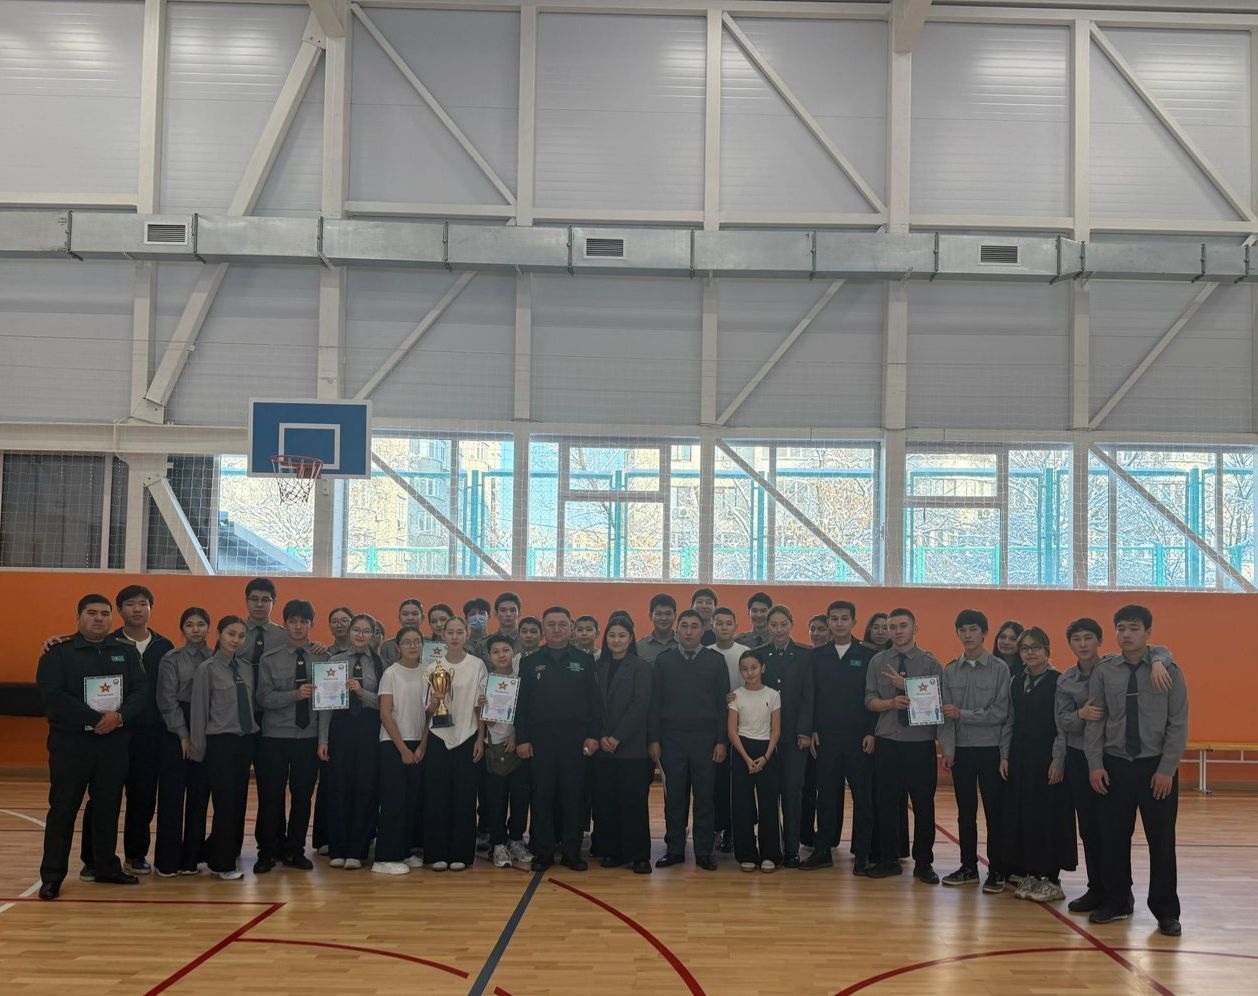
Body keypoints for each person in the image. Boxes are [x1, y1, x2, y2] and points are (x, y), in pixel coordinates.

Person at [1085, 605, 1187, 936]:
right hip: (1115, 765)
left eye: (1133, 628)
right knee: (1113, 838)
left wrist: (1167, 769)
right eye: (1121, 628)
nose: (1126, 634)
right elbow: (1096, 720)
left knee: (1162, 841)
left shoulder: (1169, 670)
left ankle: (1166, 911)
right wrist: (1095, 763)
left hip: (1155, 767)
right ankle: (1117, 902)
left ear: (1148, 633)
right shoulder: (1105, 671)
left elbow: (1178, 723)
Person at [37, 595, 147, 899]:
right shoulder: (58, 653)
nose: (99, 618)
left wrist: (118, 717)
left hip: (112, 744)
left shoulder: (125, 652)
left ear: (112, 618)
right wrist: (95, 719)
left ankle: (105, 867)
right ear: (79, 617)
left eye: (104, 613)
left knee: (108, 807)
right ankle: (52, 876)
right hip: (71, 745)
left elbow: (141, 691)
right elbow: (53, 696)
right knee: (63, 809)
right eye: (92, 613)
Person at [76, 585, 174, 878]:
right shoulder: (108, 643)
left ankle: (135, 855)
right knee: (103, 796)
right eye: (130, 604)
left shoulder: (164, 645)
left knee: (143, 796)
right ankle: (92, 859)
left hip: (151, 734)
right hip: (113, 732)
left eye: (143, 604)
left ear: (151, 608)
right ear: (119, 610)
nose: (137, 609)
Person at [516, 607, 602, 871]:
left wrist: (593, 735)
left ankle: (571, 852)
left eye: (562, 624)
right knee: (541, 796)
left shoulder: (585, 660)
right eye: (551, 624)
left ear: (570, 628)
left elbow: (595, 703)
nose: (556, 629)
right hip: (540, 741)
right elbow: (521, 705)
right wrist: (522, 739)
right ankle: (543, 852)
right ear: (544, 628)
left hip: (576, 741)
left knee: (573, 797)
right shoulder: (529, 661)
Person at [865, 607, 943, 884]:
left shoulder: (930, 663)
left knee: (923, 805)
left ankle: (924, 863)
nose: (897, 631)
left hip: (919, 743)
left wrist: (905, 685)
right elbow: (869, 700)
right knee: (886, 803)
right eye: (892, 626)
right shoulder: (877, 661)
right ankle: (889, 859)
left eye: (902, 626)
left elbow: (936, 704)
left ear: (914, 629)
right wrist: (890, 702)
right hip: (888, 741)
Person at [799, 600, 877, 874]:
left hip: (859, 739)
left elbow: (874, 695)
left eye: (845, 618)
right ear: (829, 622)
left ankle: (863, 854)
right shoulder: (817, 656)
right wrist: (812, 729)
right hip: (826, 738)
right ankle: (823, 851)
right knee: (826, 797)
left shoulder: (868, 655)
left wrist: (871, 731)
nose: (839, 623)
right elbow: (811, 695)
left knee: (863, 798)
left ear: (854, 621)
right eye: (834, 618)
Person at [649, 609, 729, 871]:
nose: (689, 631)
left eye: (694, 626)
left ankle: (704, 851)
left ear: (703, 630)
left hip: (706, 740)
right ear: (677, 630)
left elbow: (723, 705)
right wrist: (654, 739)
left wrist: (721, 741)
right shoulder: (664, 661)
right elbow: (654, 703)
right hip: (671, 740)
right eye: (684, 625)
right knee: (674, 797)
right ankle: (675, 849)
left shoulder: (715, 661)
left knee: (704, 797)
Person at [939, 609, 1012, 894]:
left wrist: (963, 714)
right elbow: (945, 716)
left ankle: (997, 870)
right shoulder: (949, 670)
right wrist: (948, 749)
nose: (968, 635)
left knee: (995, 812)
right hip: (962, 752)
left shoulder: (999, 669)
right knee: (965, 813)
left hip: (991, 749)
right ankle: (968, 867)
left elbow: (1000, 713)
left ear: (984, 633)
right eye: (963, 630)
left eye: (973, 629)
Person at [1004, 626, 1076, 902]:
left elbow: (1062, 727)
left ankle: (1051, 878)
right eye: (1025, 648)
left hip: (1048, 759)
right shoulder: (1016, 681)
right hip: (1021, 759)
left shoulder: (1059, 681)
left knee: (1049, 817)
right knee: (1025, 816)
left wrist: (1058, 760)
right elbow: (1010, 721)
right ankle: (1032, 873)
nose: (1030, 653)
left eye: (1035, 647)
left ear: (1047, 650)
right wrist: (1005, 755)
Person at [255, 599, 326, 873]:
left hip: (308, 737)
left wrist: (322, 738)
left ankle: (295, 850)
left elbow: (329, 703)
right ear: (284, 624)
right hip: (275, 737)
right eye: (293, 621)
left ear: (311, 624)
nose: (298, 627)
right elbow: (263, 698)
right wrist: (294, 695)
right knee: (270, 796)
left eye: (303, 622)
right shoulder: (269, 658)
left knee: (302, 796)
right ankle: (267, 852)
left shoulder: (323, 658)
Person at [189, 616, 258, 881]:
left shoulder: (246, 667)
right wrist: (198, 749)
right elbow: (199, 711)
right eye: (231, 634)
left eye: (241, 636)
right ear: (218, 634)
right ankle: (221, 863)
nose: (236, 640)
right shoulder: (207, 669)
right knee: (225, 802)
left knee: (238, 802)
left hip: (244, 740)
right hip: (220, 742)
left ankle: (222, 851)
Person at [420, 616, 486, 871]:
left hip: (468, 736)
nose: (455, 637)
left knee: (465, 797)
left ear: (467, 634)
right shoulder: (432, 667)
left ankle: (461, 854)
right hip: (439, 736)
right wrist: (434, 702)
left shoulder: (477, 665)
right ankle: (437, 853)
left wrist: (480, 738)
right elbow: (426, 710)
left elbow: (480, 706)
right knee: (437, 797)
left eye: (459, 632)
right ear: (443, 635)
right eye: (450, 632)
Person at [318, 613, 382, 870]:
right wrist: (323, 739)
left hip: (369, 729)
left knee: (365, 788)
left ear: (373, 635)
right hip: (340, 729)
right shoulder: (334, 661)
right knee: (338, 788)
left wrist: (361, 692)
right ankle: (338, 848)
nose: (360, 635)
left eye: (366, 631)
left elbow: (385, 703)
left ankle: (358, 850)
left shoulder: (380, 664)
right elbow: (325, 706)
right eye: (356, 629)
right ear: (350, 631)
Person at [153, 607, 212, 877]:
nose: (195, 629)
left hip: (207, 728)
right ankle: (167, 861)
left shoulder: (217, 658)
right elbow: (167, 699)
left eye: (201, 624)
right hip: (175, 731)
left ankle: (191, 859)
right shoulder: (172, 659)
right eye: (190, 624)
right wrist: (183, 735)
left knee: (199, 797)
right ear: (182, 629)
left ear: (209, 628)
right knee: (172, 797)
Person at [592, 615, 653, 874]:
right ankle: (612, 851)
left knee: (633, 802)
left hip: (631, 747)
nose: (616, 640)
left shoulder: (641, 667)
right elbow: (592, 705)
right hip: (603, 747)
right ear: (606, 638)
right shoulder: (598, 666)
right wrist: (602, 736)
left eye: (622, 636)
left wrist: (617, 737)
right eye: (612, 635)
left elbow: (640, 705)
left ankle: (638, 855)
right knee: (607, 801)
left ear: (630, 639)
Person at [759, 605, 813, 868]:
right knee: (769, 793)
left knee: (792, 792)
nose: (778, 629)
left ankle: (792, 849)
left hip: (794, 736)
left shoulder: (805, 655)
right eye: (774, 624)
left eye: (783, 624)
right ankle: (771, 848)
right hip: (764, 735)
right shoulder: (759, 654)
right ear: (767, 626)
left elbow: (809, 696)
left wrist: (804, 731)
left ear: (792, 624)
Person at [372, 625, 428, 876]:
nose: (412, 646)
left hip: (419, 743)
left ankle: (404, 850)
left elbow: (430, 714)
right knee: (393, 802)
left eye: (417, 641)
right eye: (407, 642)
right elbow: (385, 713)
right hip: (394, 743)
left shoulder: (428, 673)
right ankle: (385, 858)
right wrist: (403, 748)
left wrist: (423, 744)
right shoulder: (391, 673)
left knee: (411, 801)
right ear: (398, 647)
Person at [728, 650, 783, 874]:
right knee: (741, 804)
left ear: (762, 668)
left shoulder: (773, 694)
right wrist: (746, 758)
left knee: (768, 804)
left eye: (753, 668)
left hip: (766, 752)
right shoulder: (736, 695)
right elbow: (732, 730)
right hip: (742, 751)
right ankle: (746, 854)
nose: (749, 673)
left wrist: (766, 757)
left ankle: (770, 854)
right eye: (744, 669)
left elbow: (776, 730)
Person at [482, 634, 533, 869]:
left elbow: (528, 713)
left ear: (514, 653)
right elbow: (485, 721)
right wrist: (486, 711)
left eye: (505, 650)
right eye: (496, 651)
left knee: (520, 798)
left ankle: (516, 839)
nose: (501, 655)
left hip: (519, 746)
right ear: (489, 656)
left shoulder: (522, 680)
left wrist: (517, 736)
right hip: (495, 747)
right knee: (496, 799)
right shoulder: (486, 681)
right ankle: (498, 843)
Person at [314, 606, 354, 853]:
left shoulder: (369, 655)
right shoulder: (324, 655)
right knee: (329, 784)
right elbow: (325, 703)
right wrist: (324, 737)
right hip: (334, 729)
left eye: (345, 620)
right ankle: (326, 837)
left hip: (360, 729)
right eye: (335, 621)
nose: (340, 625)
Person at [710, 607, 748, 853]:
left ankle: (736, 831)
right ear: (712, 626)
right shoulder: (706, 653)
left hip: (743, 724)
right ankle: (716, 828)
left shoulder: (744, 652)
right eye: (719, 623)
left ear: (735, 626)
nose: (724, 627)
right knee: (717, 782)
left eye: (728, 623)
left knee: (738, 783)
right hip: (714, 725)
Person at [638, 593, 678, 664]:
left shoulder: (684, 644)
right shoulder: (639, 647)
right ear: (650, 616)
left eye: (668, 614)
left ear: (675, 616)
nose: (664, 618)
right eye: (659, 614)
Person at [381, 599, 424, 665]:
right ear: (399, 618)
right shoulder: (388, 646)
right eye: (405, 614)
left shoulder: (430, 643)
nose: (410, 618)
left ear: (422, 618)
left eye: (415, 614)